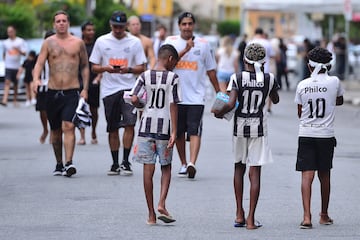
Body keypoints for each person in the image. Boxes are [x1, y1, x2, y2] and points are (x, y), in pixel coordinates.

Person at [212, 43, 280, 230]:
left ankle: (239, 213)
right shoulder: (269, 78)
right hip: (259, 128)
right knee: (255, 172)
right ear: (263, 62)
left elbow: (231, 102)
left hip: (240, 127)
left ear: (244, 60)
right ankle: (251, 219)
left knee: (239, 168)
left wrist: (219, 112)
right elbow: (275, 99)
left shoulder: (237, 78)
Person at [89, 11, 147, 176]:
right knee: (112, 127)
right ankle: (115, 163)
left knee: (130, 124)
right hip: (109, 90)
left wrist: (128, 69)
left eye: (121, 27)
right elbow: (94, 66)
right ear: (110, 25)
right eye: (115, 26)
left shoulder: (134, 42)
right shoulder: (102, 41)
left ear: (126, 26)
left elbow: (142, 67)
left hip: (130, 88)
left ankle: (126, 161)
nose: (118, 30)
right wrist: (106, 68)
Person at [32, 10, 89, 177]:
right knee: (55, 131)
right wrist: (36, 79)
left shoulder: (78, 43)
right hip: (53, 93)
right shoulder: (48, 43)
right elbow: (39, 63)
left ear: (68, 23)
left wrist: (85, 89)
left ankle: (69, 163)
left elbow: (85, 66)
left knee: (69, 126)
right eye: (58, 21)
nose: (61, 23)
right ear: (54, 24)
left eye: (64, 20)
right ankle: (59, 163)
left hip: (72, 91)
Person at [164, 12, 220, 179]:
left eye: (190, 24)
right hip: (176, 96)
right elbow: (166, 65)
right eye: (184, 24)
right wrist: (185, 50)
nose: (187, 27)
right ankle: (182, 163)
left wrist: (219, 93)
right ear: (179, 26)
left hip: (196, 97)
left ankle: (192, 163)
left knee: (195, 130)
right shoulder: (171, 42)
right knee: (179, 132)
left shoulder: (203, 44)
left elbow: (210, 71)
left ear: (194, 25)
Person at [131, 44, 181, 225]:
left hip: (146, 128)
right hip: (164, 129)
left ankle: (151, 214)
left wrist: (139, 105)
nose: (175, 64)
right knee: (166, 167)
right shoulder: (173, 78)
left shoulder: (144, 75)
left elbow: (134, 98)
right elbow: (174, 104)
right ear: (170, 59)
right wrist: (175, 131)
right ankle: (161, 202)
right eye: (175, 61)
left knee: (148, 168)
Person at [294, 47, 344, 229]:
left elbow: (300, 112)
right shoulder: (335, 82)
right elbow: (339, 100)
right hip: (326, 135)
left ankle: (306, 217)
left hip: (306, 133)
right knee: (325, 174)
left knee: (307, 176)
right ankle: (324, 215)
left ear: (309, 66)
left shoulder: (302, 84)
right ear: (328, 65)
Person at [77, 20, 102, 145]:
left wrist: (98, 77)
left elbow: (102, 62)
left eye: (93, 30)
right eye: (88, 30)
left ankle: (93, 131)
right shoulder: (78, 44)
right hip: (79, 81)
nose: (91, 32)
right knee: (81, 108)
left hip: (93, 81)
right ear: (83, 31)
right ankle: (82, 135)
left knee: (94, 109)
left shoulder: (97, 45)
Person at [35, 30, 55, 144]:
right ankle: (45, 129)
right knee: (42, 110)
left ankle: (53, 131)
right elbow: (36, 68)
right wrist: (36, 80)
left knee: (53, 111)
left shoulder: (60, 54)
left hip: (55, 85)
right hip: (42, 85)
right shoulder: (40, 55)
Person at [1, 25, 27, 107]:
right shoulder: (5, 42)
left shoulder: (20, 41)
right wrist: (5, 61)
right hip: (8, 66)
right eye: (8, 32)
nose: (10, 33)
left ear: (14, 31)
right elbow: (4, 53)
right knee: (7, 82)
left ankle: (15, 100)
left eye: (11, 31)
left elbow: (24, 53)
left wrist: (18, 50)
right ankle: (4, 100)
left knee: (15, 84)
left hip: (16, 66)